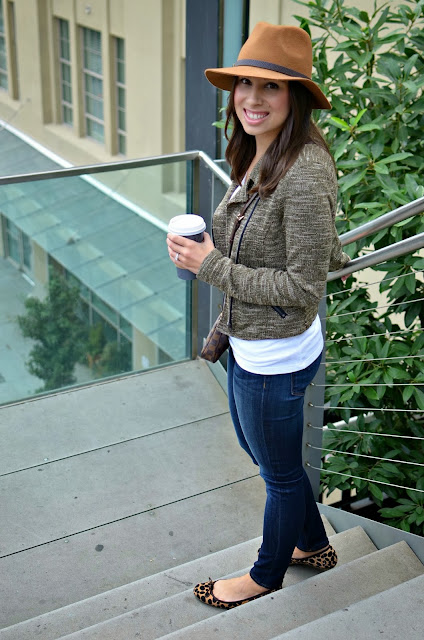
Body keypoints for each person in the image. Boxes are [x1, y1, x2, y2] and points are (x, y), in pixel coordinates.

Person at [167, 22, 350, 610]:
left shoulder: (304, 173)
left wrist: (209, 265)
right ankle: (313, 544)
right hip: (250, 340)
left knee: (277, 473)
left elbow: (302, 287)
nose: (251, 98)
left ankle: (265, 575)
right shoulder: (260, 150)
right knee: (266, 455)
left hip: (277, 352)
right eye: (244, 83)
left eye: (269, 87)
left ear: (294, 97)